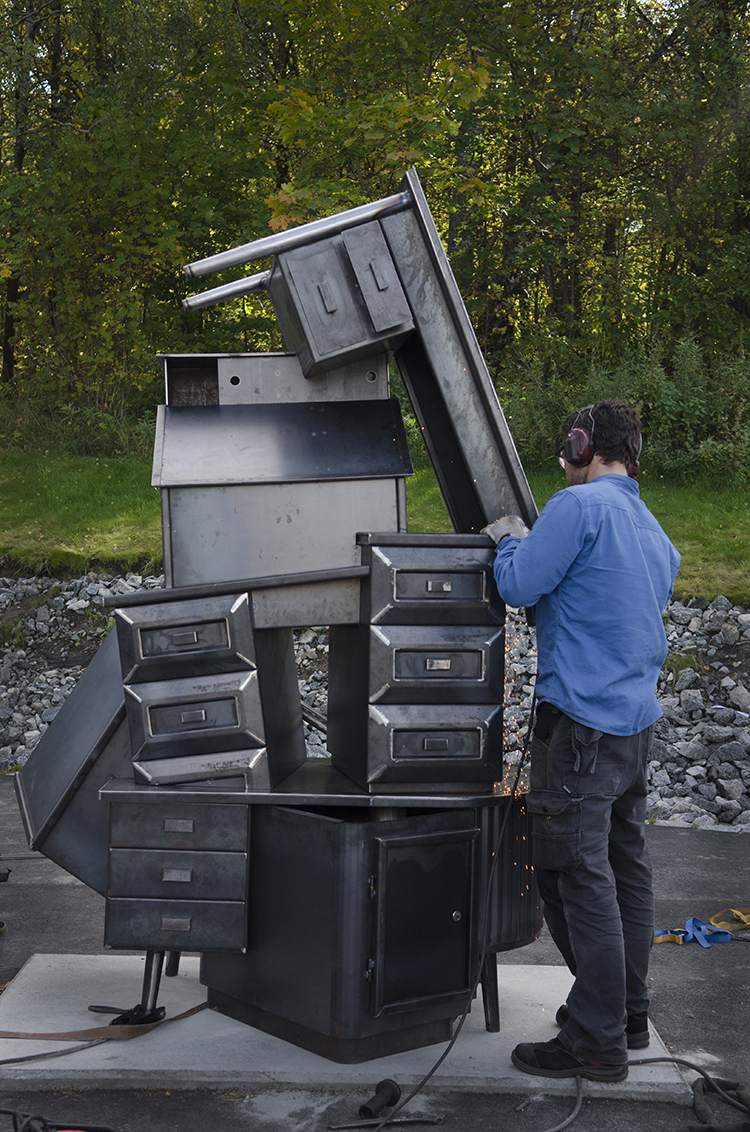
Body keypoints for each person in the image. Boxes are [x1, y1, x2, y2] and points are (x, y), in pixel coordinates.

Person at [483, 400, 680, 1083]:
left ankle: (596, 1040)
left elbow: (517, 583)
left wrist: (509, 538)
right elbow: (590, 601)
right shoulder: (652, 530)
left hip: (581, 732)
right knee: (626, 869)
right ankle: (626, 1011)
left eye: (569, 446)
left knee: (572, 875)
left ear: (582, 445)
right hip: (634, 730)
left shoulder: (577, 508)